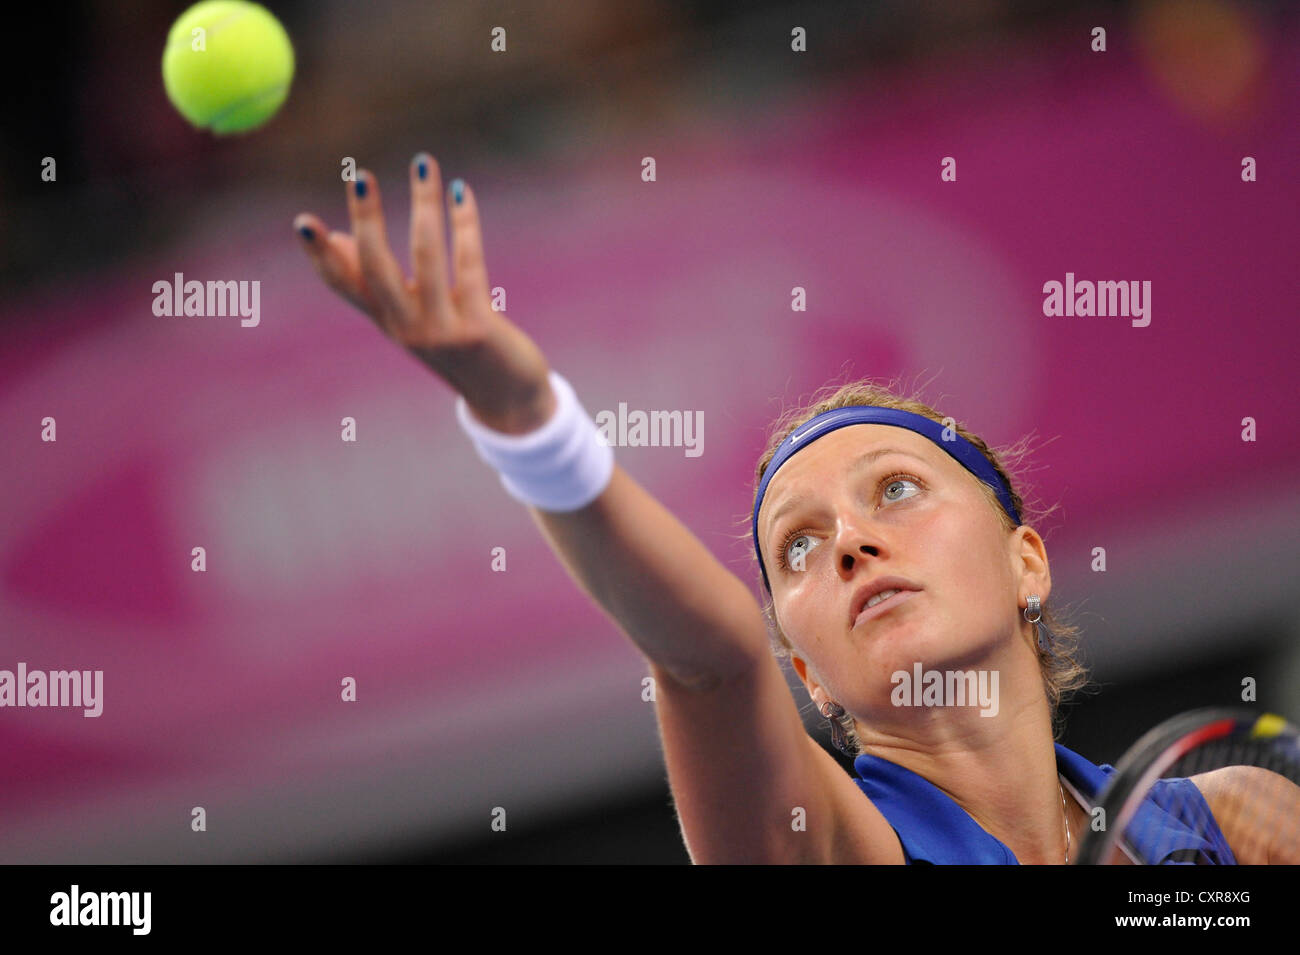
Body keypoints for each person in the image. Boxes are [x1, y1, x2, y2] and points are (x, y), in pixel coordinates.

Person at [293, 154, 1251, 864]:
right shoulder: (823, 845)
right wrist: (525, 421)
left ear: (1026, 561)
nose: (851, 543)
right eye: (799, 546)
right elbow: (709, 663)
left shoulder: (1234, 827)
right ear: (808, 675)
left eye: (898, 488)